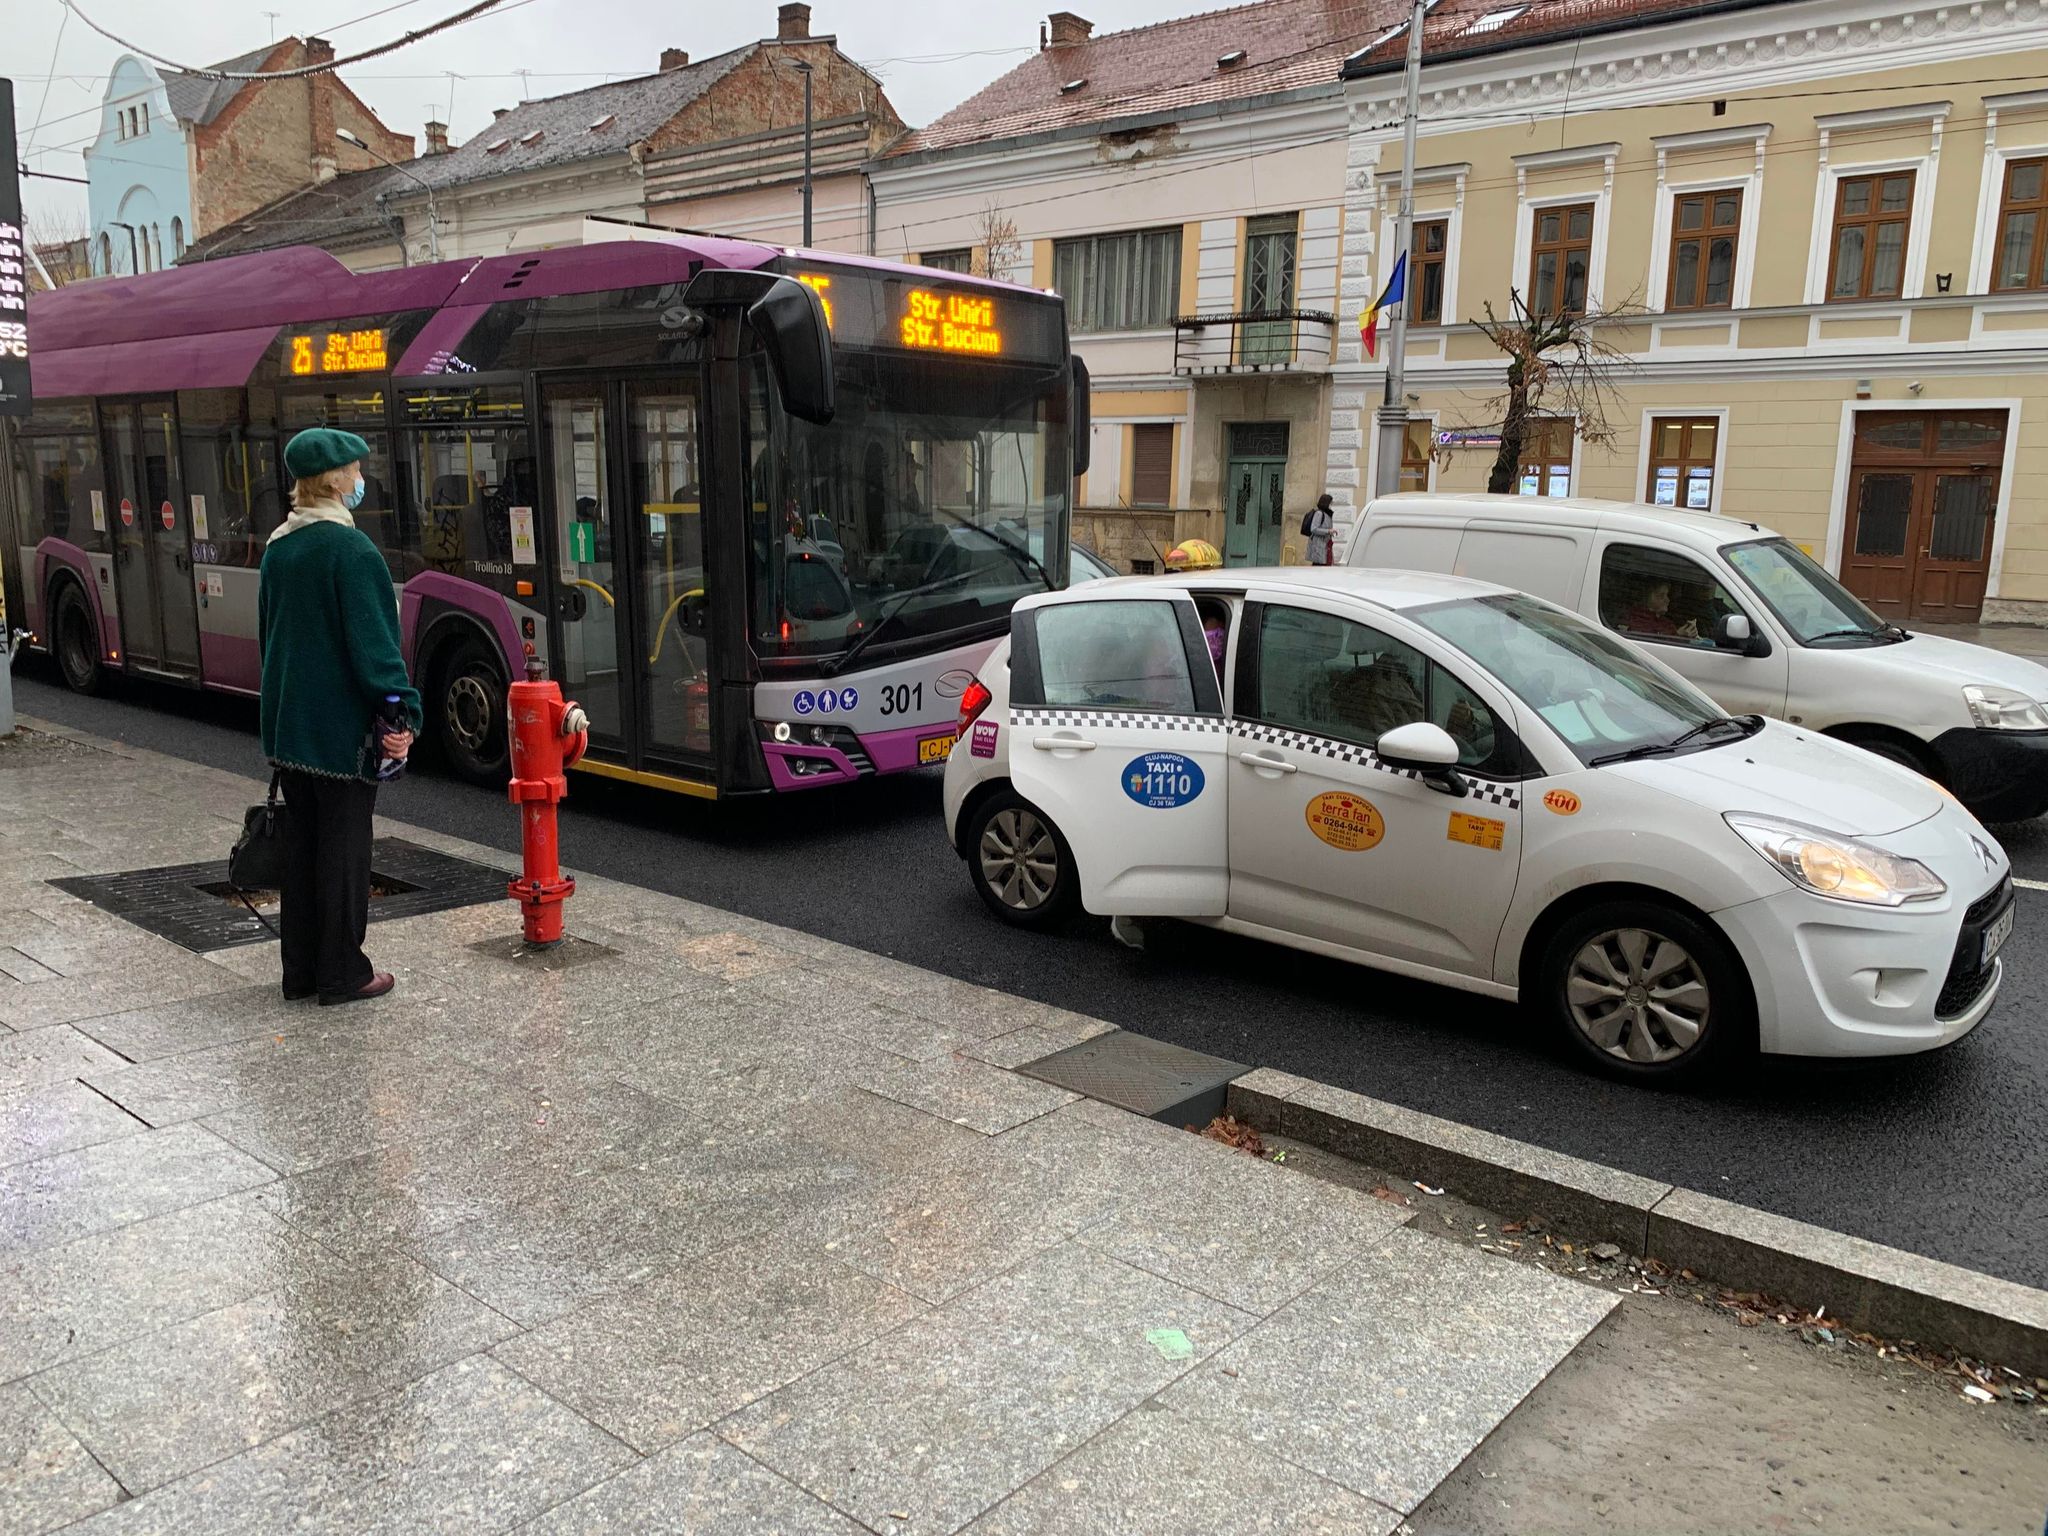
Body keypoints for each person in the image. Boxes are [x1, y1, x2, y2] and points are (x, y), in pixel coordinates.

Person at [258, 428, 423, 1006]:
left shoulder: (279, 548)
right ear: (333, 481)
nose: (360, 480)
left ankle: (301, 972)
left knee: (303, 852)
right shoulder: (352, 553)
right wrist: (405, 715)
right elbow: (377, 651)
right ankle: (343, 973)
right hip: (341, 735)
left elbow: (270, 642)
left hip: (290, 730)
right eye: (354, 471)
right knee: (345, 854)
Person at [1305, 492, 1336, 566]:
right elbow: (1313, 528)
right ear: (1326, 503)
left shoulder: (1327, 514)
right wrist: (1328, 531)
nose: (1331, 505)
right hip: (1319, 546)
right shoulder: (1319, 513)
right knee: (1318, 566)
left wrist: (1330, 532)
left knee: (1323, 566)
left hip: (1325, 545)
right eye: (1330, 503)